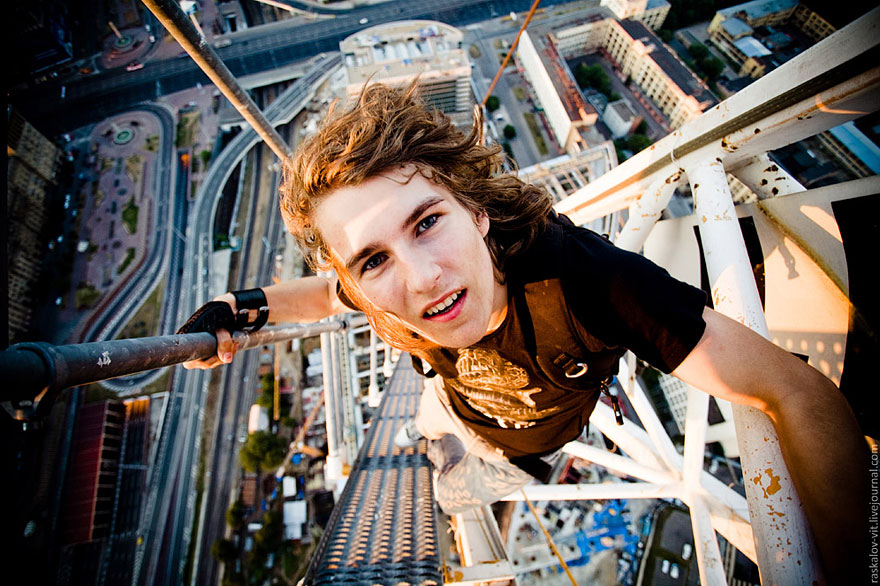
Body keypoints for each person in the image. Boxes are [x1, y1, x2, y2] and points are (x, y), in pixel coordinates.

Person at [182, 83, 869, 583]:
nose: (422, 279)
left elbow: (795, 392)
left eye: (427, 222)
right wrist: (236, 306)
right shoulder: (384, 296)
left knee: (452, 493)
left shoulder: (587, 284)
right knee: (431, 438)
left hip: (519, 454)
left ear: (476, 211)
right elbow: (319, 295)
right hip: (448, 403)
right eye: (374, 260)